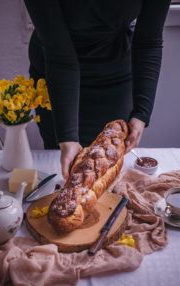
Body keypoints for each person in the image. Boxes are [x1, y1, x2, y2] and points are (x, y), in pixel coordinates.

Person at [24, 0, 170, 180]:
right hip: (56, 73)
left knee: (107, 169)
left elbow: (149, 41)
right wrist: (67, 136)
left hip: (115, 75)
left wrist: (142, 112)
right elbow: (59, 56)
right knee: (61, 166)